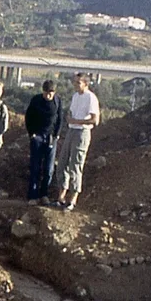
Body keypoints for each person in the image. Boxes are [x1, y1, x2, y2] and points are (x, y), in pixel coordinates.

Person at [53, 72, 100, 211]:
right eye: (75, 82)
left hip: (82, 132)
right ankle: (61, 197)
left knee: (76, 165)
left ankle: (72, 199)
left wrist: (77, 121)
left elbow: (94, 120)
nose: (75, 85)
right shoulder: (75, 96)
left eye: (78, 82)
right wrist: (70, 119)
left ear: (86, 83)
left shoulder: (91, 98)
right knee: (62, 163)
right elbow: (71, 113)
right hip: (71, 130)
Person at [23, 79, 64, 202]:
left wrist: (56, 135)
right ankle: (33, 196)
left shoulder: (57, 102)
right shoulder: (36, 100)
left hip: (51, 138)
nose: (48, 95)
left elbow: (60, 119)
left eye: (51, 93)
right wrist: (32, 134)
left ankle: (44, 194)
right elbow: (28, 117)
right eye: (46, 93)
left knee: (48, 169)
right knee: (35, 167)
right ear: (43, 92)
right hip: (37, 137)